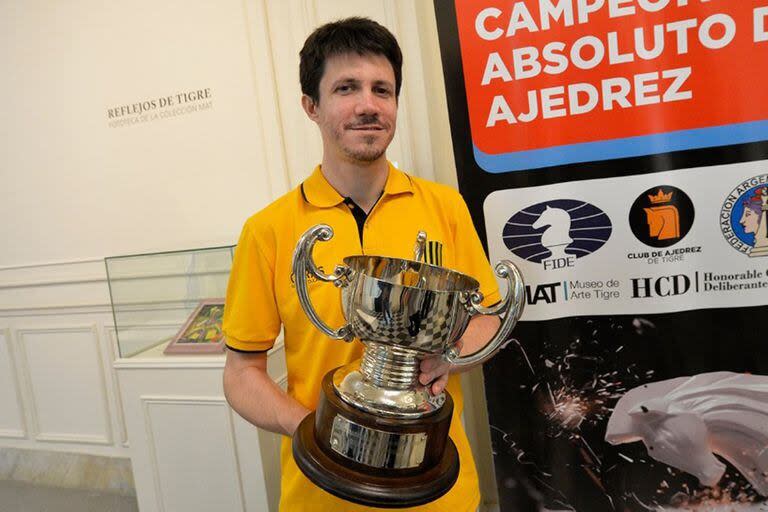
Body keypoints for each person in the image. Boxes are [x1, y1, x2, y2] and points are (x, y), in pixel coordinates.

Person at [222, 17, 502, 512]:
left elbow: (487, 316)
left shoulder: (444, 206)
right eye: (346, 88)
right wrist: (311, 429)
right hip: (322, 496)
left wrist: (453, 353)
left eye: (382, 90)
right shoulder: (267, 230)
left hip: (439, 494)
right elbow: (241, 372)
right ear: (311, 106)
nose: (368, 105)